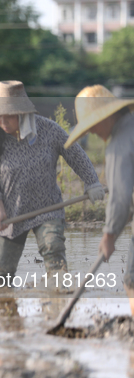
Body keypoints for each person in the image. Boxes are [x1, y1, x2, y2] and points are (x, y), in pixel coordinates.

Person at [0, 81, 104, 286]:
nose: (1, 120)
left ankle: (57, 302)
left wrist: (92, 182)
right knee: (0, 274)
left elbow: (76, 154)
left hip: (48, 207)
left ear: (21, 113)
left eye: (7, 115)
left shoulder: (48, 130)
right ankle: (3, 312)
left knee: (53, 250)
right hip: (11, 213)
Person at [64, 85, 134, 310]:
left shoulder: (119, 144)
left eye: (92, 126)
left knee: (132, 283)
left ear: (106, 117)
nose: (92, 132)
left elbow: (121, 197)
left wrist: (109, 234)